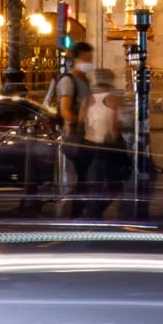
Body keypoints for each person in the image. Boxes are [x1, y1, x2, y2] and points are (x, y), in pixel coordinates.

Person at [45, 42, 97, 217]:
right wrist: (82, 120)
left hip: (87, 136)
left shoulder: (85, 80)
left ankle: (80, 212)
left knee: (86, 177)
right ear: (76, 59)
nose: (89, 62)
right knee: (81, 177)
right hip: (75, 137)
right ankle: (75, 213)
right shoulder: (68, 81)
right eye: (86, 59)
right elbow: (66, 112)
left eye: (90, 59)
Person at [85, 66, 129, 217]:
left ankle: (92, 212)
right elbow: (113, 127)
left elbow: (81, 122)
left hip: (91, 146)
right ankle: (95, 211)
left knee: (95, 183)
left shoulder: (88, 99)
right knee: (115, 183)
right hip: (107, 146)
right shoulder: (113, 99)